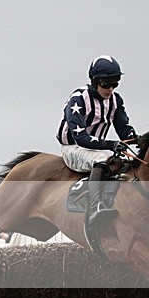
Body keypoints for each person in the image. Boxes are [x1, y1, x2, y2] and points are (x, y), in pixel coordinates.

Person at [56, 55, 137, 225]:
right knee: (103, 160)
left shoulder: (116, 100)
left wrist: (139, 140)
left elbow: (123, 129)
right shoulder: (78, 99)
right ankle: (94, 209)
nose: (110, 89)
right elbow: (81, 138)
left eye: (115, 84)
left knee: (126, 164)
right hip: (73, 147)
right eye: (106, 84)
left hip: (98, 148)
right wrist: (111, 144)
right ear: (94, 81)